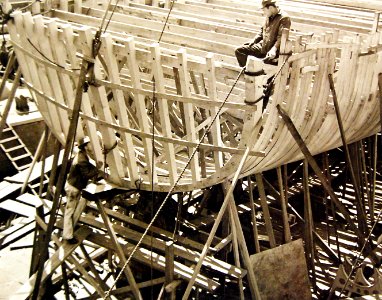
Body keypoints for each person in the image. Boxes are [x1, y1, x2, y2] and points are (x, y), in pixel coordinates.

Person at [63, 136, 101, 244]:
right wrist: (98, 168)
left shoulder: (81, 155)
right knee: (69, 211)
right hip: (73, 188)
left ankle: (70, 230)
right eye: (89, 144)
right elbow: (86, 175)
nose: (91, 146)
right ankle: (68, 236)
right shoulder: (82, 160)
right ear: (85, 146)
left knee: (72, 210)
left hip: (73, 186)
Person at [235, 0, 291, 68]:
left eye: (264, 10)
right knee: (239, 50)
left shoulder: (284, 18)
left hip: (274, 52)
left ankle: (255, 72)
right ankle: (248, 71)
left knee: (265, 67)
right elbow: (262, 31)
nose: (263, 12)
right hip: (263, 47)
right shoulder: (269, 15)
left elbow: (281, 37)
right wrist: (254, 41)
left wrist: (274, 49)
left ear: (270, 8)